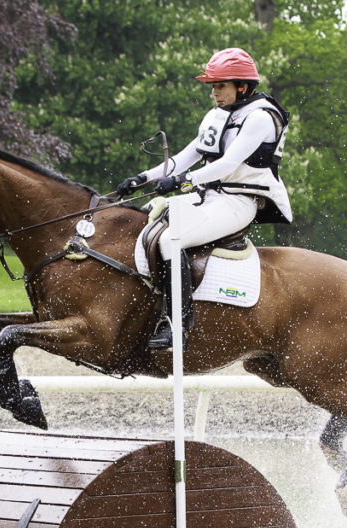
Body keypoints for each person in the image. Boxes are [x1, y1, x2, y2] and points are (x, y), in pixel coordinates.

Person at [115, 47, 292, 350]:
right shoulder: (218, 115)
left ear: (243, 87)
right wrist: (143, 178)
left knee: (172, 240)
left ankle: (178, 325)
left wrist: (183, 181)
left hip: (239, 202)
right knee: (143, 219)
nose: (215, 93)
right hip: (210, 198)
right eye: (212, 87)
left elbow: (227, 165)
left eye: (220, 86)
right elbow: (185, 157)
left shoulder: (261, 117)